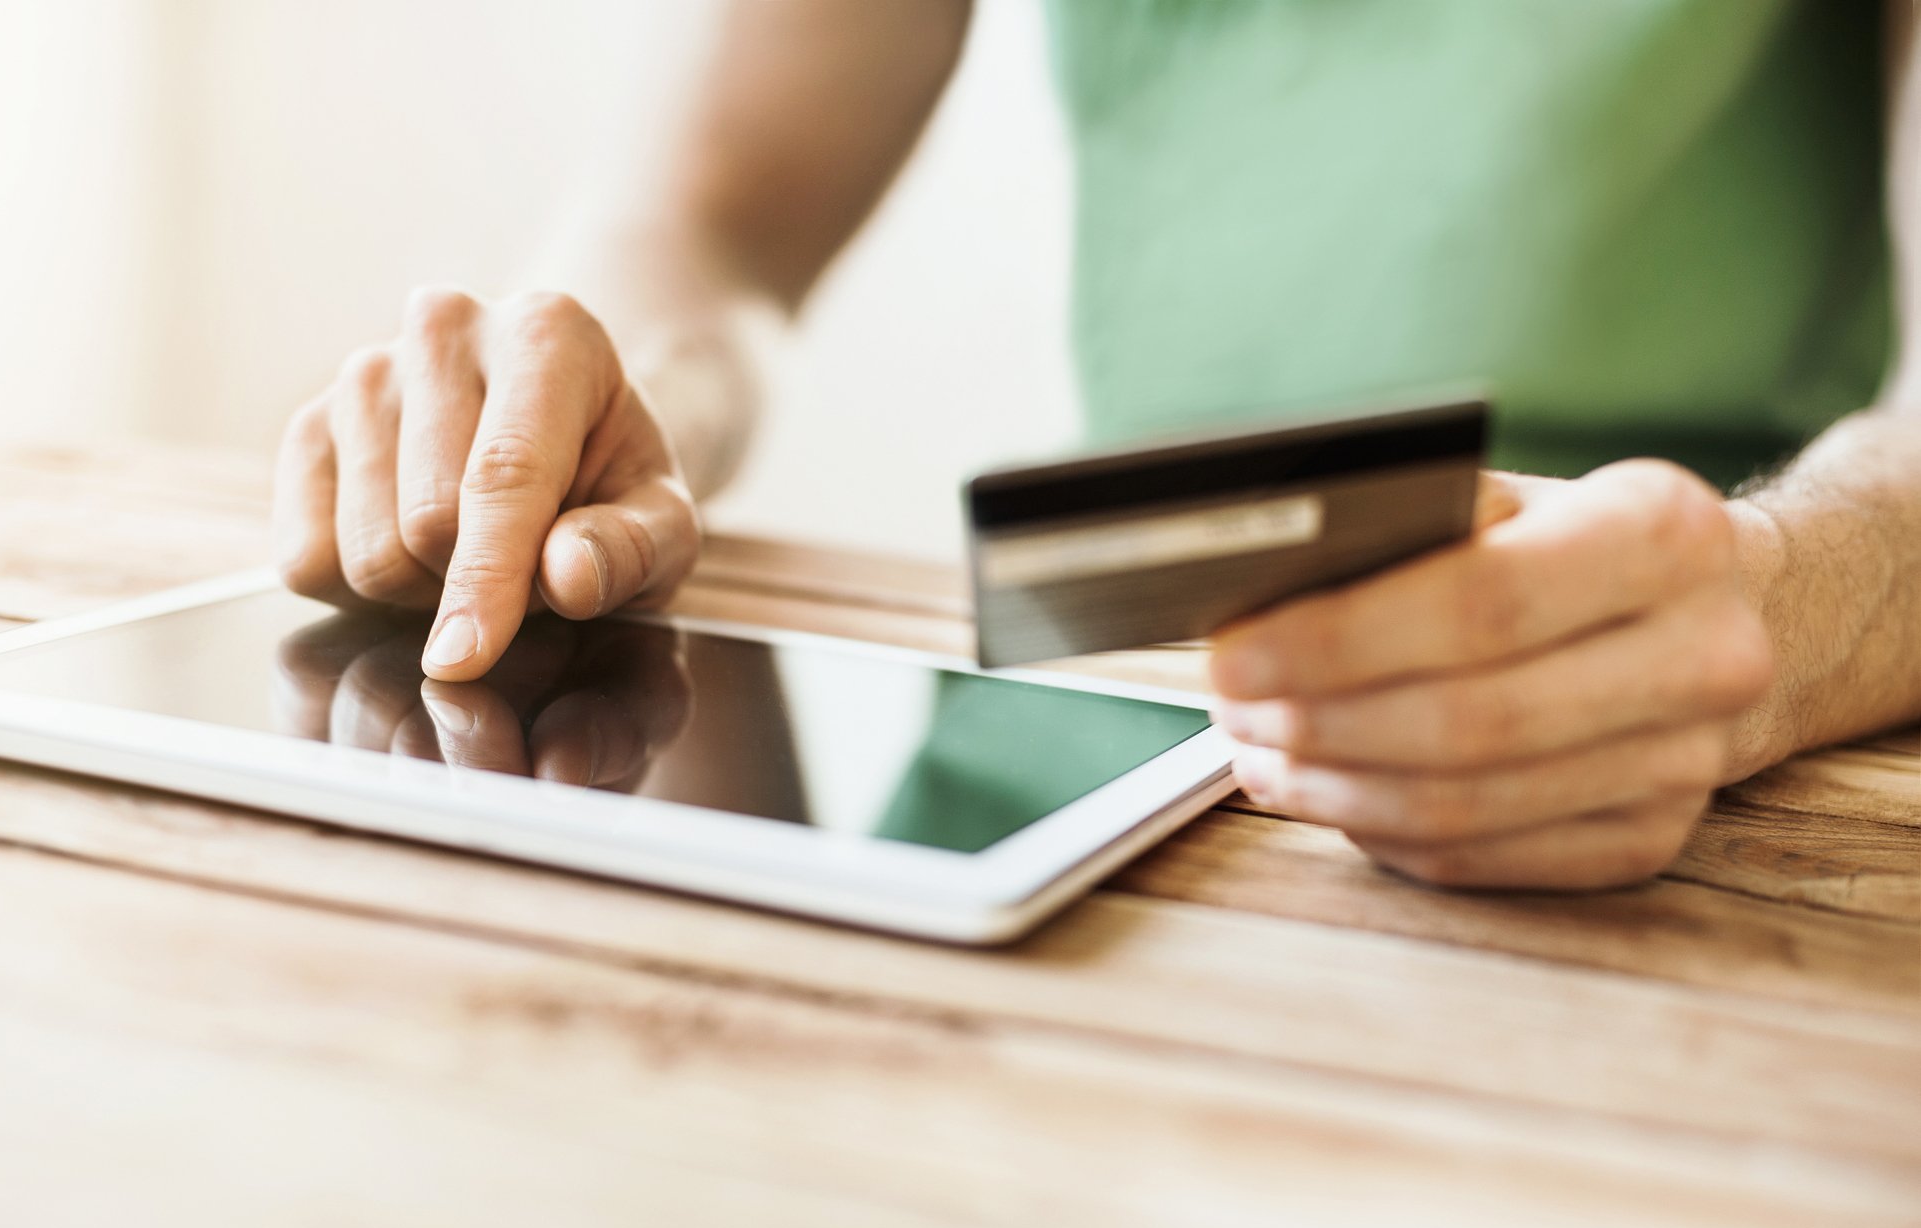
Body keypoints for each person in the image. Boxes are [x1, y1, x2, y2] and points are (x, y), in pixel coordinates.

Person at [273, 0, 1921, 891]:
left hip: (1711, 742)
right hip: (1104, 709)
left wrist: (1783, 603)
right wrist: (597, 390)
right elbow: (706, 218)